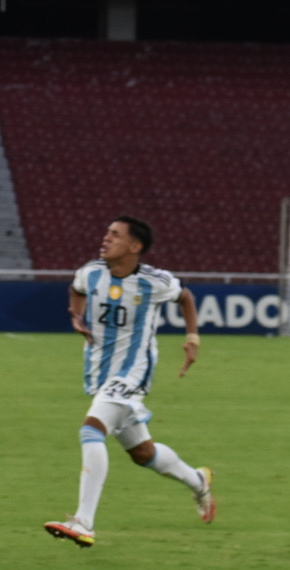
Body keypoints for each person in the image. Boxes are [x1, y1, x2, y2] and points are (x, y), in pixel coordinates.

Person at [42, 216, 215, 548]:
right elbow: (76, 290)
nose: (106, 239)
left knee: (91, 430)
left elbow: (186, 297)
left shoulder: (155, 281)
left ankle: (83, 522)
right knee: (143, 453)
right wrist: (76, 316)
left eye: (115, 235)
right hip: (100, 372)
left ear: (135, 246)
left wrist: (192, 337)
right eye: (106, 232)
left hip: (133, 373)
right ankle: (198, 480)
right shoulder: (91, 272)